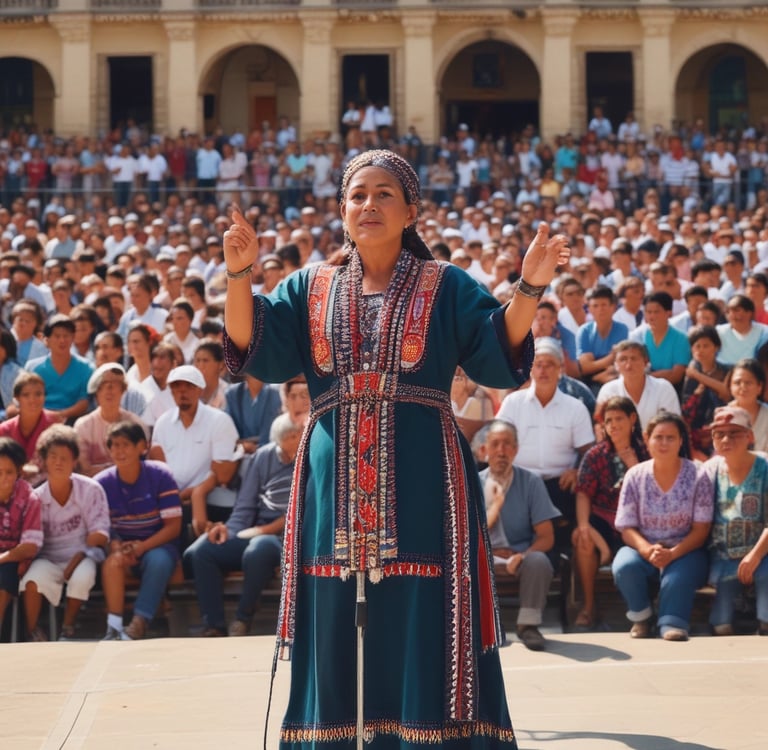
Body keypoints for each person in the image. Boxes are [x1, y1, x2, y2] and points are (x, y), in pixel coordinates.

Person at [222, 149, 568, 747]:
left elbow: (497, 349)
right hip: (332, 486)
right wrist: (238, 274)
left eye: (384, 194)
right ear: (341, 211)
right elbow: (249, 344)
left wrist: (530, 285)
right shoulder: (310, 286)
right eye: (357, 195)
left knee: (421, 605)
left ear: (411, 211)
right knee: (332, 610)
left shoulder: (446, 284)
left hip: (424, 476)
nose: (369, 205)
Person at [184, 413, 300, 637]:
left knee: (259, 548)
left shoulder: (310, 456)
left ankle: (243, 618)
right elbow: (245, 505)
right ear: (279, 440)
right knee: (203, 550)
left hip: (287, 537)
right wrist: (229, 529)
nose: (295, 440)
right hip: (254, 529)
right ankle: (214, 624)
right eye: (290, 436)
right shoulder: (263, 457)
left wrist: (275, 527)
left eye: (297, 435)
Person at [612, 412, 713, 641]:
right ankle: (642, 618)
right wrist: (647, 549)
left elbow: (701, 529)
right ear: (647, 439)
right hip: (645, 547)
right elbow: (626, 527)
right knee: (624, 565)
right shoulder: (635, 475)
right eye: (659, 437)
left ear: (680, 441)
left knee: (677, 577)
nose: (664, 443)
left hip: (686, 549)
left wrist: (673, 553)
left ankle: (671, 622)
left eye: (671, 437)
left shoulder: (698, 474)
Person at [497, 337, 595, 539]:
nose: (543, 370)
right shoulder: (513, 402)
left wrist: (577, 470)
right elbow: (497, 441)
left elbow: (589, 452)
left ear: (560, 369)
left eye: (549, 364)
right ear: (529, 369)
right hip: (517, 481)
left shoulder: (575, 407)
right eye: (537, 364)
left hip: (559, 485)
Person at [20, 425, 109, 641]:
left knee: (82, 577)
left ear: (75, 461)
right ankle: (32, 633)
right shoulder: (35, 498)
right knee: (31, 581)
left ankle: (67, 629)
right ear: (44, 460)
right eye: (53, 456)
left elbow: (99, 535)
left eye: (65, 457)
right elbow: (32, 541)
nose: (59, 462)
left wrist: (75, 561)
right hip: (47, 559)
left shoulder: (91, 489)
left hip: (84, 556)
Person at [95, 421, 182, 640]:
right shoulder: (101, 483)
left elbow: (173, 527)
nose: (119, 451)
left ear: (141, 446)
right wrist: (115, 545)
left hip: (157, 545)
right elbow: (101, 525)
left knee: (158, 561)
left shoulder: (161, 475)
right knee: (112, 563)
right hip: (122, 548)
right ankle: (113, 628)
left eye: (125, 444)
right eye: (113, 445)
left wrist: (142, 547)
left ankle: (139, 622)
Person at [480, 420, 561, 651]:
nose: (501, 451)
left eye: (507, 445)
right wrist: (495, 506)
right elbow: (471, 534)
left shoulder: (531, 482)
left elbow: (547, 536)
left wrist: (523, 555)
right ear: (485, 450)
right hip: (486, 557)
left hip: (519, 556)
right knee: (469, 562)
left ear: (515, 450)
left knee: (539, 560)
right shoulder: (474, 482)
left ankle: (528, 625)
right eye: (495, 444)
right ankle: (485, 628)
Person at [572, 397, 649, 630]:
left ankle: (644, 607)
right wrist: (584, 524)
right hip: (604, 518)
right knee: (583, 538)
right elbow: (584, 493)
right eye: (608, 421)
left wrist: (634, 465)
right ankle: (589, 606)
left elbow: (655, 490)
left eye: (618, 419)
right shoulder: (596, 455)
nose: (613, 425)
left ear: (632, 419)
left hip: (639, 520)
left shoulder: (647, 450)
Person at [148, 365, 240, 537]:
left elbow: (221, 473)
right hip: (171, 498)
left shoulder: (219, 420)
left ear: (200, 390)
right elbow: (159, 466)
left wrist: (196, 493)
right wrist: (174, 494)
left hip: (211, 498)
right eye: (176, 387)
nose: (182, 392)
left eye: (189, 387)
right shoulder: (163, 422)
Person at [703, 406, 768, 636]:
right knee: (721, 626)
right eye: (719, 434)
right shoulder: (710, 470)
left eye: (734, 432)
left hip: (762, 553)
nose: (726, 439)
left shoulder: (766, 466)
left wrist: (755, 555)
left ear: (750, 436)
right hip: (723, 555)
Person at [73, 363, 148, 477]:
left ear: (123, 390)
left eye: (114, 385)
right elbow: (84, 469)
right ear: (96, 393)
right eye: (103, 386)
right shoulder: (83, 426)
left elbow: (142, 463)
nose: (109, 390)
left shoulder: (136, 424)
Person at [0, 437, 42, 630]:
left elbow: (29, 547)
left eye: (9, 472)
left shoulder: (29, 497)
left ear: (19, 472)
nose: (2, 478)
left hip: (11, 562)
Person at [595, 341, 681, 430]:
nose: (628, 365)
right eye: (623, 359)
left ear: (646, 362)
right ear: (616, 365)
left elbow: (674, 425)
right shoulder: (608, 390)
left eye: (634, 358)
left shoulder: (664, 388)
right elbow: (600, 425)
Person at [26, 314, 94, 423]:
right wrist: (47, 415)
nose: (62, 340)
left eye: (66, 336)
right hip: (38, 418)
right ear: (47, 340)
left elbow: (84, 402)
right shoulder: (33, 367)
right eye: (57, 336)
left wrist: (61, 415)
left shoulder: (86, 367)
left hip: (73, 420)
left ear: (72, 338)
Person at [681, 325, 730, 460]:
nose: (701, 350)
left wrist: (698, 376)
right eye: (697, 346)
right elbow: (686, 409)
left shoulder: (727, 370)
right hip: (697, 434)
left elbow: (726, 393)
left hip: (723, 429)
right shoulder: (690, 375)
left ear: (716, 347)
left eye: (706, 345)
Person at [0, 372, 56, 485]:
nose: (33, 400)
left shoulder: (54, 426)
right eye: (26, 395)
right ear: (17, 398)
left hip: (47, 485)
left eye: (38, 394)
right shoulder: (4, 430)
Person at [726, 358, 768, 453]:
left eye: (748, 383)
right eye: (737, 383)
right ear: (730, 386)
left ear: (759, 386)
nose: (743, 387)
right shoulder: (723, 415)